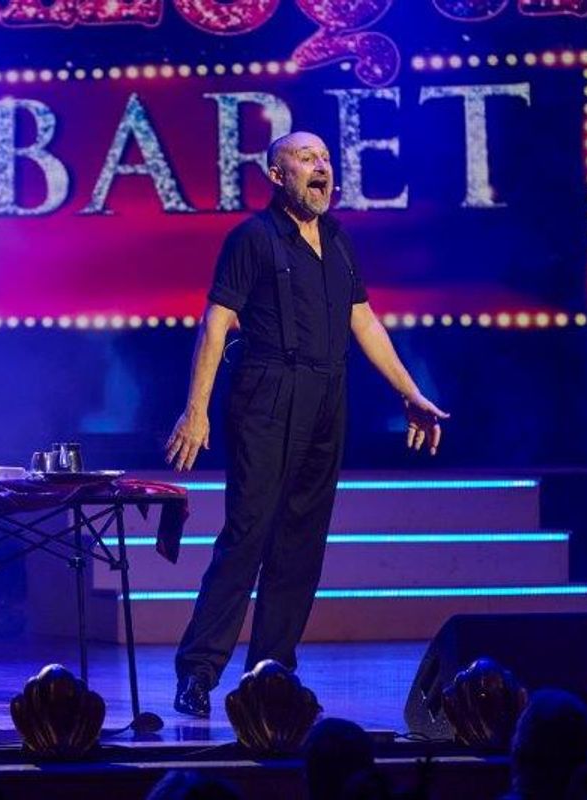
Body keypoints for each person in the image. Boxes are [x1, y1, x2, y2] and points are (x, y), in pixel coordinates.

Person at [165, 131, 449, 717]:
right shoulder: (252, 238)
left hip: (327, 396)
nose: (320, 167)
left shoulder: (339, 242)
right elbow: (216, 324)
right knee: (249, 535)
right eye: (305, 158)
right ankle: (197, 672)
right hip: (267, 392)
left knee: (301, 543)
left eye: (324, 158)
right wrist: (196, 410)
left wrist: (410, 392)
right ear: (277, 174)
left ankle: (272, 672)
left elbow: (363, 321)